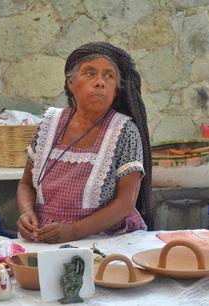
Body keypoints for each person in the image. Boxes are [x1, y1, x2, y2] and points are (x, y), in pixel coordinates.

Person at [16, 41, 152, 244]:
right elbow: (26, 184)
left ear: (116, 90)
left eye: (109, 76)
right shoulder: (49, 125)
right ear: (71, 83)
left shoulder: (124, 132)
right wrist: (26, 213)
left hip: (108, 241)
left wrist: (73, 232)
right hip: (46, 238)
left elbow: (126, 203)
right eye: (90, 73)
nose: (100, 82)